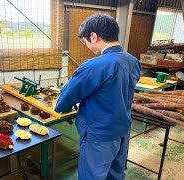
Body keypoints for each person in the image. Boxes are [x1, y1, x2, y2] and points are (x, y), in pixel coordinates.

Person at [55, 14, 141, 180]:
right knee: (115, 175)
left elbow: (62, 103)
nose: (86, 45)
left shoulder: (94, 66)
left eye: (85, 41)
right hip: (122, 130)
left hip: (99, 136)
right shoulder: (132, 61)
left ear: (93, 36)